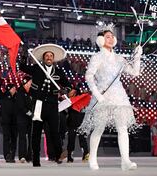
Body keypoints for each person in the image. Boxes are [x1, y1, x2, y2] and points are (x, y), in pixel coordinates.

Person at [79, 29, 142, 171]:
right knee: (99, 127)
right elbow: (89, 76)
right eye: (107, 36)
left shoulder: (119, 58)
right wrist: (97, 93)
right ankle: (93, 158)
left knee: (122, 127)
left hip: (119, 96)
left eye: (112, 36)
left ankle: (125, 160)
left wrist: (138, 56)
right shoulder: (97, 57)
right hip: (102, 95)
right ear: (100, 40)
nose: (111, 38)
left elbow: (134, 72)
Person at [19, 43, 75, 167]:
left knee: (55, 131)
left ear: (53, 58)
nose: (49, 57)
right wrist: (23, 54)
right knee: (36, 133)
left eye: (51, 56)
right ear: (43, 58)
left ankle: (58, 155)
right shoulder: (37, 68)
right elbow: (22, 66)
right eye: (47, 56)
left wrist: (66, 90)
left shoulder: (59, 71)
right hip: (39, 103)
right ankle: (35, 159)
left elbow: (68, 85)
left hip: (53, 105)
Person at [15, 76, 33, 163]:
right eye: (30, 82)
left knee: (31, 137)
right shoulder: (20, 92)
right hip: (22, 118)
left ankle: (30, 155)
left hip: (31, 119)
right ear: (26, 83)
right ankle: (22, 155)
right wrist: (29, 113)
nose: (31, 84)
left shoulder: (32, 92)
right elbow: (21, 106)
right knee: (22, 137)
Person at [0, 83, 18, 163]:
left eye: (15, 88)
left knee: (14, 138)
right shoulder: (4, 96)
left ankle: (12, 155)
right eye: (13, 88)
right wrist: (0, 81)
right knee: (7, 138)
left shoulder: (17, 97)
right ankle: (7, 155)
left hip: (15, 122)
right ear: (9, 89)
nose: (15, 89)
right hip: (6, 121)